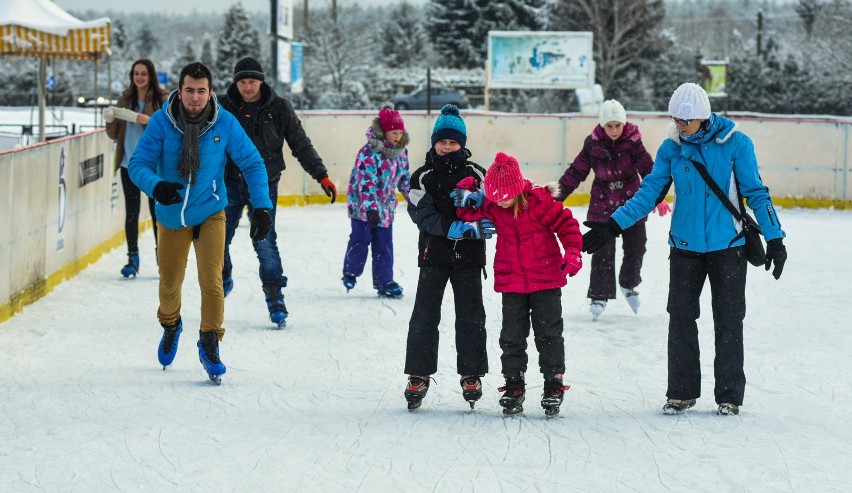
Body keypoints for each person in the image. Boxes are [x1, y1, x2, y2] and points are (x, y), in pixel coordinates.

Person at [582, 83, 788, 416]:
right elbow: (648, 193)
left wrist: (775, 237)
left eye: (685, 121)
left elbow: (756, 193)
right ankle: (682, 391)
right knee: (680, 318)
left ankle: (729, 395)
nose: (679, 125)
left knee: (729, 320)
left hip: (729, 248)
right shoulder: (671, 149)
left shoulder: (736, 144)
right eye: (675, 119)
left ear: (703, 117)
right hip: (685, 249)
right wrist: (612, 226)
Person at [129, 62, 273, 384]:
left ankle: (210, 342)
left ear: (210, 93)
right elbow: (138, 164)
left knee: (212, 281)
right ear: (180, 92)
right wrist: (156, 186)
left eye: (202, 91)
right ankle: (171, 324)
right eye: (190, 91)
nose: (195, 98)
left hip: (211, 211)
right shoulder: (161, 123)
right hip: (171, 216)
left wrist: (262, 206)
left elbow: (252, 162)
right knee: (169, 284)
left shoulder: (225, 123)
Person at [453, 152, 583, 417]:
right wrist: (466, 192)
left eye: (504, 198)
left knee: (549, 335)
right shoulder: (494, 205)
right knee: (511, 338)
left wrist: (572, 251)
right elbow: (468, 213)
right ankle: (514, 384)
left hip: (546, 280)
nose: (499, 203)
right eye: (495, 198)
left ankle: (553, 384)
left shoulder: (541, 203)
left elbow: (568, 225)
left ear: (516, 190)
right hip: (512, 283)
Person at [219, 57, 337, 328]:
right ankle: (223, 275)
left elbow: (300, 144)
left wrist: (321, 175)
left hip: (264, 184)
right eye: (242, 82)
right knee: (219, 237)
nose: (247, 88)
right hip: (230, 182)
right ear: (235, 82)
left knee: (265, 241)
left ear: (262, 81)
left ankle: (275, 296)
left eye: (252, 81)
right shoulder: (223, 107)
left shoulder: (279, 108)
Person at [403, 104, 493, 411]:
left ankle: (471, 373)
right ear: (434, 142)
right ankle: (419, 373)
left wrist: (475, 224)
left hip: (469, 257)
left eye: (453, 142)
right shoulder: (422, 176)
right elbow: (419, 211)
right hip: (434, 254)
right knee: (425, 315)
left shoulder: (478, 174)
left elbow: (493, 207)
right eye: (442, 141)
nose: (447, 146)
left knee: (471, 316)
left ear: (462, 144)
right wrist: (447, 227)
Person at [555, 99, 671, 320]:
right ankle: (599, 295)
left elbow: (648, 168)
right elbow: (575, 172)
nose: (614, 130)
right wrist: (555, 198)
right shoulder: (593, 144)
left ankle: (628, 283)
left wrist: (659, 197)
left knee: (636, 248)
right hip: (602, 203)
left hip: (631, 203)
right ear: (602, 125)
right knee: (602, 252)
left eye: (618, 125)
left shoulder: (633, 142)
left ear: (624, 123)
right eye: (610, 126)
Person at [104, 59, 168, 278]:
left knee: (157, 214)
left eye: (144, 74)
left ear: (151, 76)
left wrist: (147, 121)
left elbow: (168, 131)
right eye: (136, 74)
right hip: (128, 164)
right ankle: (133, 258)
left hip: (152, 167)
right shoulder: (125, 99)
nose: (140, 77)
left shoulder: (162, 99)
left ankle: (164, 259)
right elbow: (114, 135)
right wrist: (110, 119)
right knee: (131, 214)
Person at [342, 106, 411, 297]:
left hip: (386, 206)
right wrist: (371, 208)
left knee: (384, 243)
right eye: (393, 132)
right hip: (362, 204)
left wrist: (412, 197)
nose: (397, 136)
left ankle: (384, 281)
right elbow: (366, 182)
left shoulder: (401, 152)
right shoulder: (369, 152)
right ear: (383, 132)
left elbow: (404, 177)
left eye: (400, 132)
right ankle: (351, 272)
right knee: (361, 238)